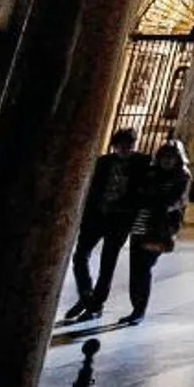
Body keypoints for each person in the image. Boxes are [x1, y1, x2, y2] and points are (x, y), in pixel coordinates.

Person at [63, 128, 150, 322]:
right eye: (121, 146)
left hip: (120, 220)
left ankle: (96, 304)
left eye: (129, 145)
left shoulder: (142, 163)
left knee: (107, 262)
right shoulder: (103, 163)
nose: (125, 149)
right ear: (114, 146)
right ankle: (87, 297)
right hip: (96, 217)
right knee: (80, 256)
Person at [122, 139, 190, 325]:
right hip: (140, 225)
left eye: (171, 157)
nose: (167, 161)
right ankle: (135, 307)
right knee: (135, 268)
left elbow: (173, 202)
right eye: (164, 157)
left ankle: (139, 309)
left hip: (159, 228)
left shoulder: (181, 177)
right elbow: (137, 194)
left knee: (144, 267)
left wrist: (151, 197)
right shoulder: (151, 174)